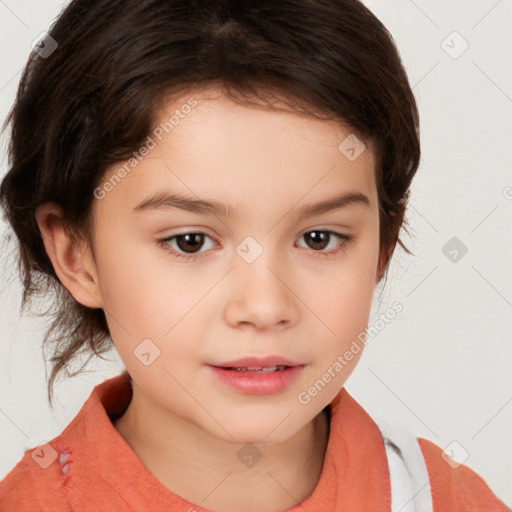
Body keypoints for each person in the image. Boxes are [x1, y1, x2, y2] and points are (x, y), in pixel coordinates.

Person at [0, 0, 508, 511]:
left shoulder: (442, 498)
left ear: (382, 242)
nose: (264, 307)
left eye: (319, 238)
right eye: (190, 241)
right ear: (75, 254)